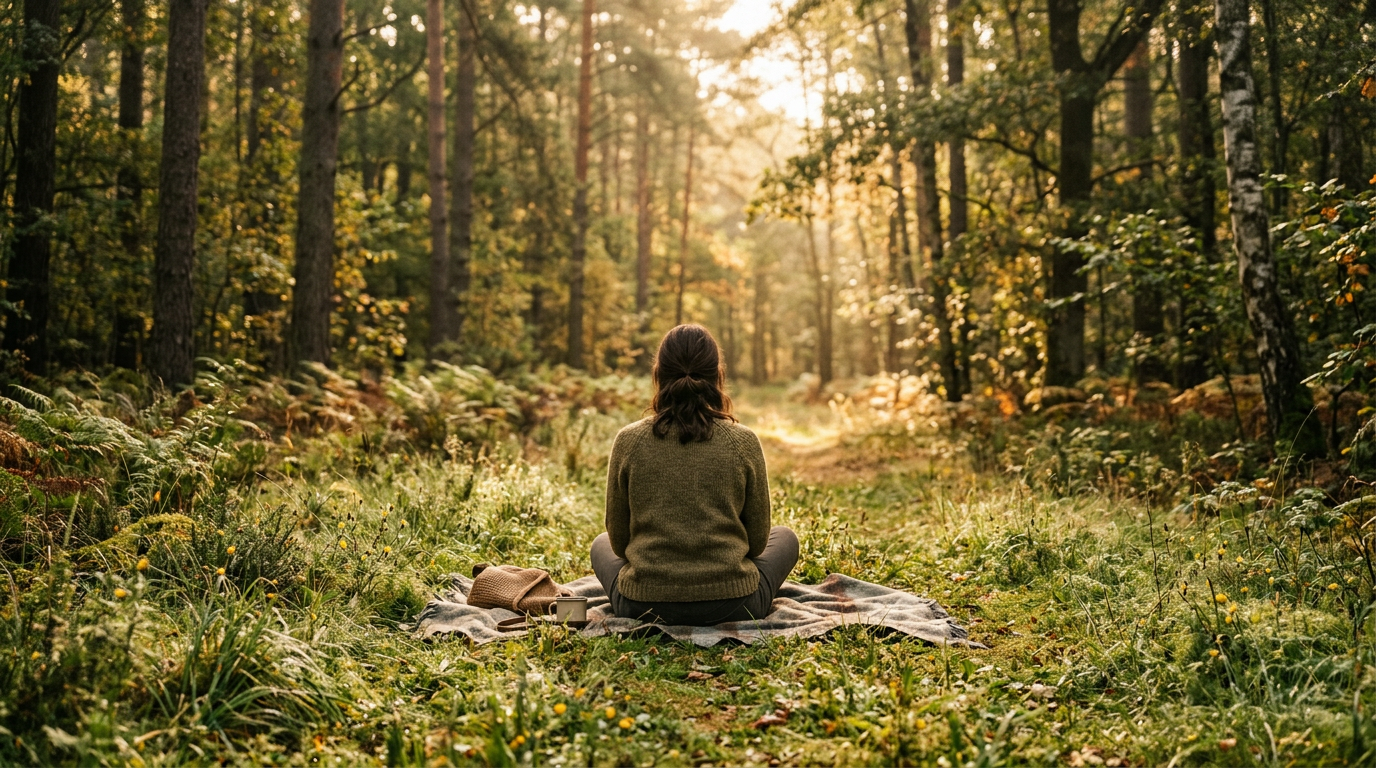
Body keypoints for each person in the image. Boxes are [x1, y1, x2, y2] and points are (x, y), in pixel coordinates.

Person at [590, 324, 799, 626]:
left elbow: (619, 543)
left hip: (641, 606)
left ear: (659, 375)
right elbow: (757, 543)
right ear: (717, 376)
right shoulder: (743, 441)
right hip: (737, 605)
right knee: (785, 537)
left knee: (601, 542)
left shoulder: (629, 440)